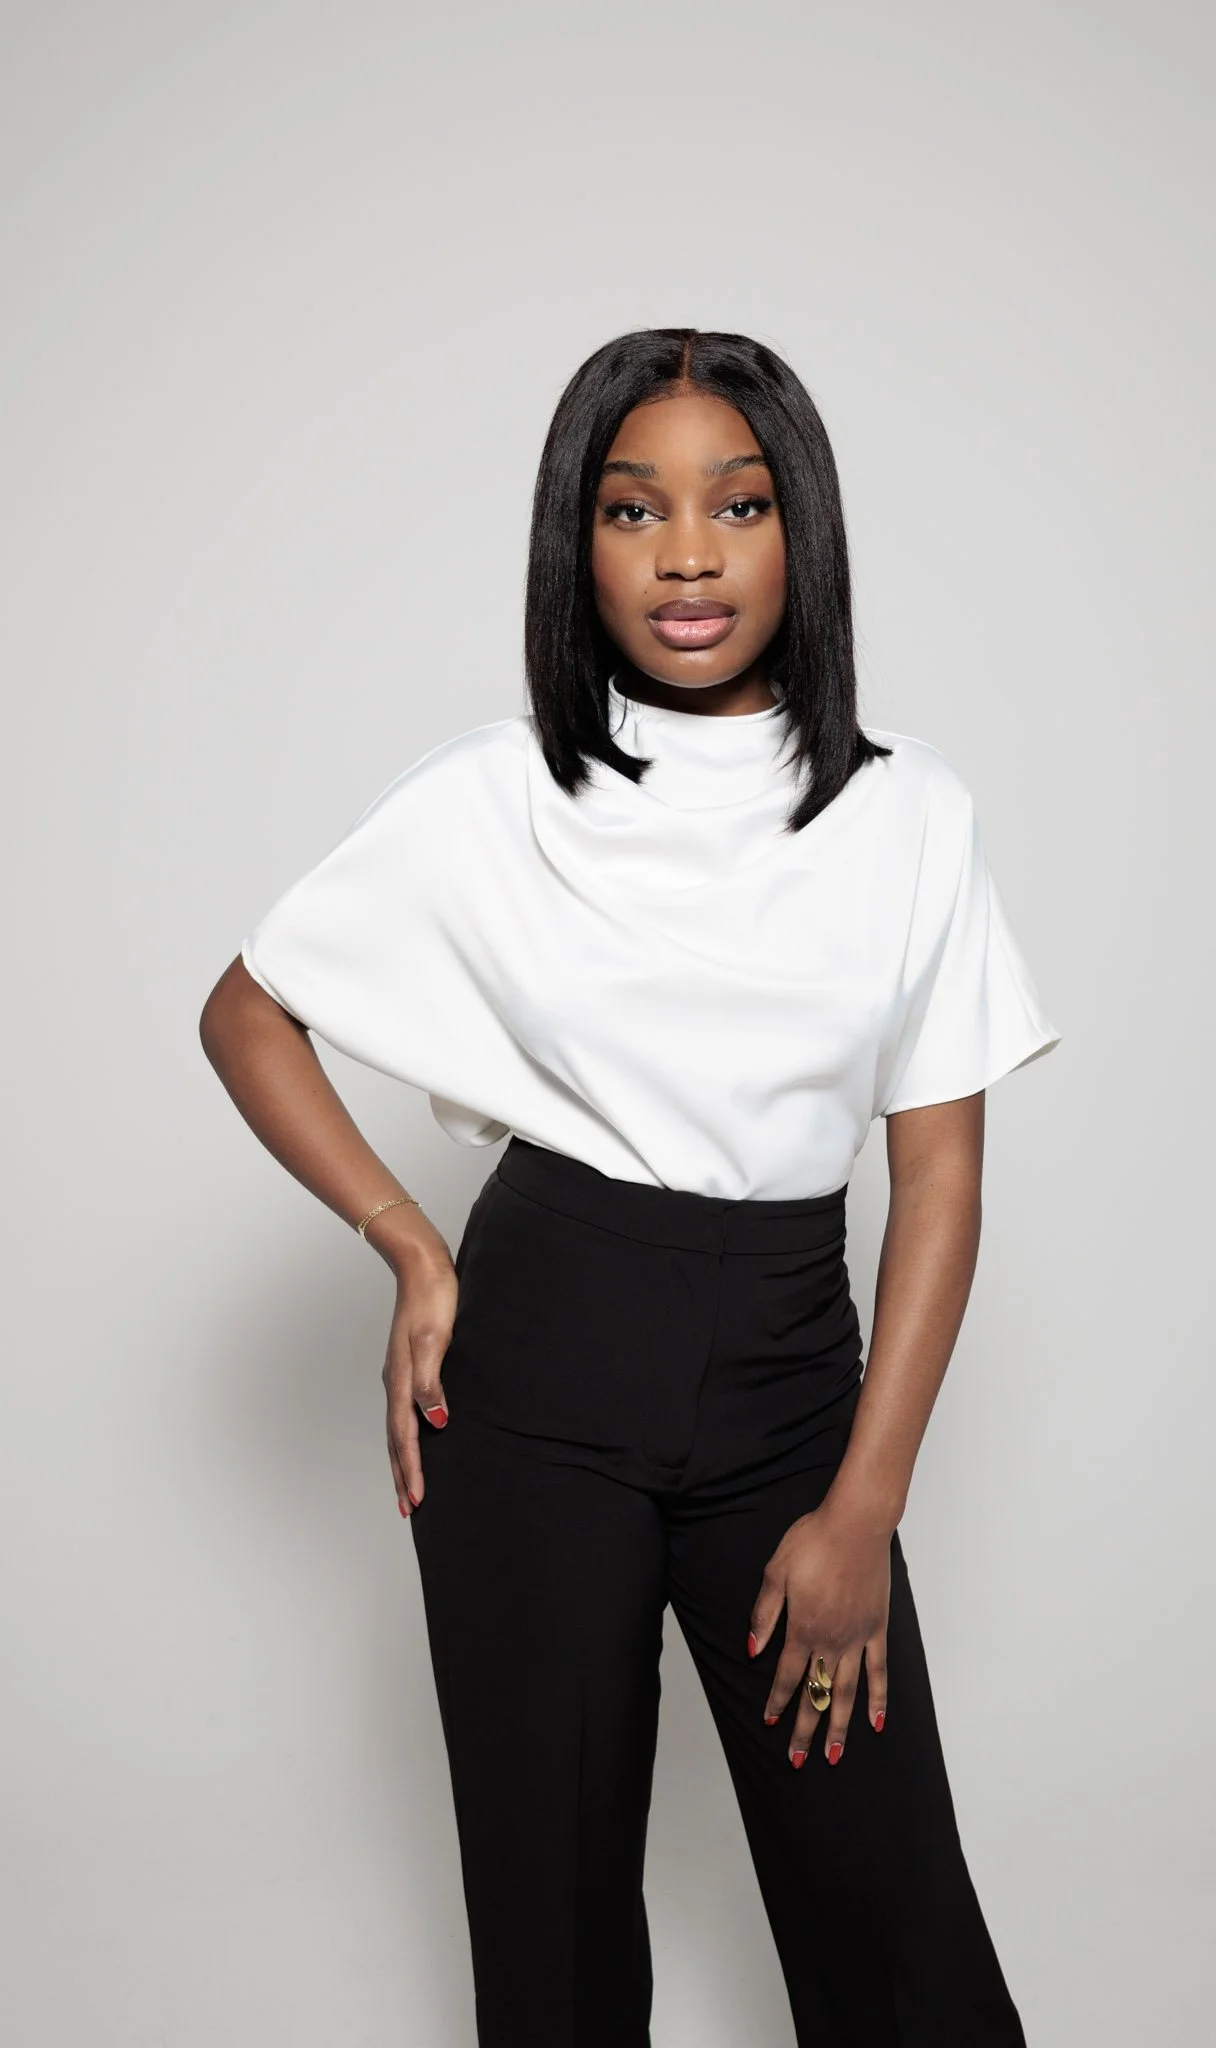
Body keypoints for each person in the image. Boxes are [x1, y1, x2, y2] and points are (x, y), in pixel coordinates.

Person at [199, 326, 1061, 2047]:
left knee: (895, 1926)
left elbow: (941, 1180)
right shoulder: (500, 790)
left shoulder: (909, 815)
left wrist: (865, 1504)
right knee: (558, 1934)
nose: (685, 555)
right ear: (573, 541)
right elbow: (248, 1014)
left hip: (790, 1376)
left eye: (737, 505)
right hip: (536, 1369)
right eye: (631, 508)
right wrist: (407, 1241)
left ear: (801, 529)